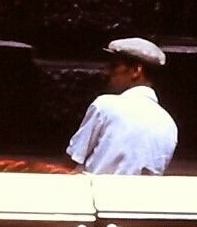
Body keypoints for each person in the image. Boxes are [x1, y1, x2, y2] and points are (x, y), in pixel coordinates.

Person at [66, 37, 177, 175]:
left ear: (136, 70)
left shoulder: (105, 106)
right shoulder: (168, 124)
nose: (106, 72)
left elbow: (72, 162)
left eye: (114, 66)